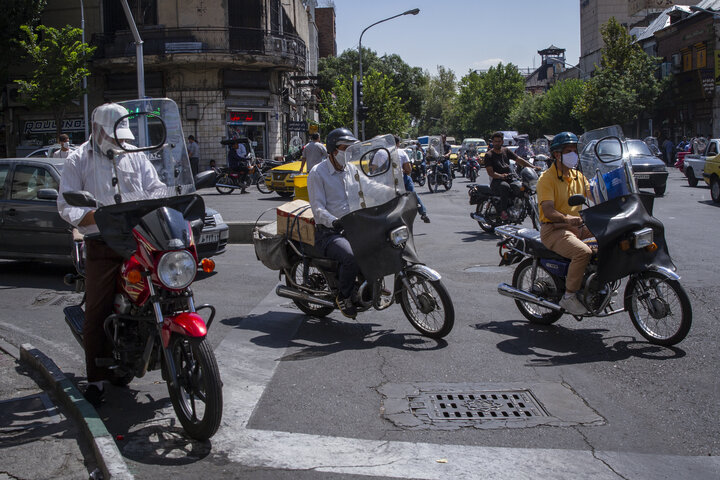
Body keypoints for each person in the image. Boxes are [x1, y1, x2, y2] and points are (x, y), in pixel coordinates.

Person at [57, 103, 167, 406]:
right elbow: (66, 206)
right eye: (113, 134)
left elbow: (156, 188)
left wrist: (165, 201)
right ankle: (96, 380)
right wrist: (95, 216)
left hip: (141, 240)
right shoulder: (78, 158)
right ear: (97, 130)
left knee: (169, 286)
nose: (120, 141)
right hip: (103, 243)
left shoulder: (136, 154)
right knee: (97, 312)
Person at [307, 127, 361, 319]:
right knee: (350, 257)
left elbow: (366, 189)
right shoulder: (317, 173)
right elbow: (318, 209)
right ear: (332, 149)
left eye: (350, 148)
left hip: (353, 225)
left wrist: (391, 192)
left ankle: (369, 283)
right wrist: (334, 221)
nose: (347, 152)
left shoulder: (351, 169)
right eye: (344, 148)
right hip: (329, 232)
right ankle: (344, 296)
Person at [536, 132, 592, 315]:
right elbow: (549, 211)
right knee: (583, 252)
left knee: (611, 238)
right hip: (554, 229)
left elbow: (594, 195)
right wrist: (568, 219)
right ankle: (569, 296)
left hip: (579, 226)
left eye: (575, 150)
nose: (573, 154)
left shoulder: (578, 176)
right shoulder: (546, 179)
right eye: (568, 150)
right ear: (556, 154)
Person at [484, 131, 540, 221]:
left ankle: (520, 207)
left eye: (499, 141)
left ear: (502, 142)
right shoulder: (489, 155)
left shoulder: (505, 150)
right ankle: (503, 211)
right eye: (495, 141)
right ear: (492, 142)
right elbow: (490, 172)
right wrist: (501, 176)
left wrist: (533, 167)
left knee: (521, 187)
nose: (497, 143)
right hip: (496, 180)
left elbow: (518, 159)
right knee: (505, 186)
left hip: (509, 177)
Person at [396, 136, 430, 223]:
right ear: (398, 143)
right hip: (400, 179)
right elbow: (408, 169)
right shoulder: (401, 152)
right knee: (412, 193)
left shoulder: (380, 153)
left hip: (386, 182)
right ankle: (423, 212)